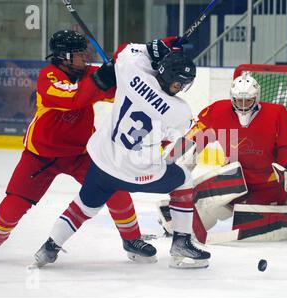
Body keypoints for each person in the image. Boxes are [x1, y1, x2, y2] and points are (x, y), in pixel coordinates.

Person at [0, 30, 154, 264]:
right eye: (80, 54)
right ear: (64, 56)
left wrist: (122, 67)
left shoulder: (88, 73)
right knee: (17, 200)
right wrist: (104, 76)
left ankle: (132, 239)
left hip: (82, 153)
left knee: (116, 189)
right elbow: (73, 98)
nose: (85, 58)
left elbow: (118, 92)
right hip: (41, 154)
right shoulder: (47, 76)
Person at [32, 36, 211, 269]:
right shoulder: (180, 111)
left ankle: (49, 247)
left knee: (83, 206)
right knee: (183, 179)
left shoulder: (132, 71)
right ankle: (182, 242)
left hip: (104, 161)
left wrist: (154, 47)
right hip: (139, 173)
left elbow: (125, 51)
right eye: (180, 84)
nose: (180, 88)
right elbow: (168, 138)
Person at [159, 73, 287, 236]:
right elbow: (195, 136)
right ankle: (178, 219)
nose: (242, 105)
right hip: (234, 177)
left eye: (248, 100)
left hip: (268, 184)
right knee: (207, 197)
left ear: (257, 98)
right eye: (238, 100)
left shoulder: (276, 113)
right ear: (232, 98)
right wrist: (173, 159)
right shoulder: (218, 110)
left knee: (250, 225)